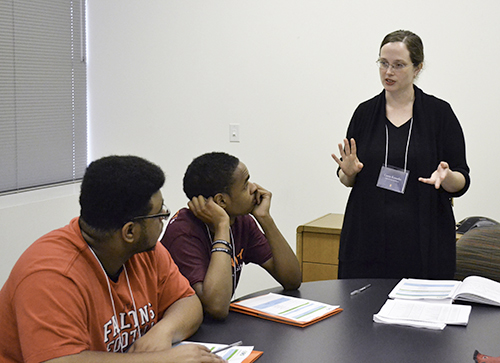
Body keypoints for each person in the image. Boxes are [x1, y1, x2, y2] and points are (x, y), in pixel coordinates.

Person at [0, 155, 224, 363]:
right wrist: (158, 359)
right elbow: (58, 360)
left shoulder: (146, 251)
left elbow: (188, 302)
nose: (164, 218)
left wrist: (163, 331)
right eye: (159, 213)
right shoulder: (50, 275)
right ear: (129, 232)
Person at [331, 30, 470, 279]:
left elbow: (462, 179)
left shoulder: (440, 114)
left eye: (398, 65)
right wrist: (347, 172)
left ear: (417, 68)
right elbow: (347, 176)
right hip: (368, 240)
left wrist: (447, 177)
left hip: (424, 243)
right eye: (383, 63)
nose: (388, 72)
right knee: (361, 313)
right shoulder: (364, 113)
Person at [161, 152, 302, 319]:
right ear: (221, 201)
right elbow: (216, 308)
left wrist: (265, 219)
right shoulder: (183, 232)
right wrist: (222, 226)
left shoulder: (242, 221)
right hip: (183, 336)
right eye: (245, 186)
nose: (254, 188)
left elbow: (292, 280)